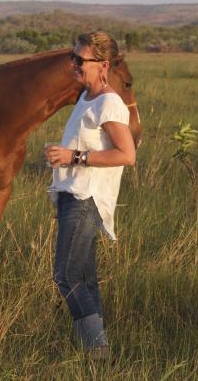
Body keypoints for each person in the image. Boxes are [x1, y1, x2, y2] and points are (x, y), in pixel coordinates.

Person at [43, 31, 137, 360]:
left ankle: (97, 350)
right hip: (73, 195)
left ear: (103, 65)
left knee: (65, 275)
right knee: (84, 277)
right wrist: (62, 156)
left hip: (86, 199)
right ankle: (98, 354)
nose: (73, 64)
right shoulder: (86, 96)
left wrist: (74, 157)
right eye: (73, 57)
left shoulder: (109, 103)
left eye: (80, 60)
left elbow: (127, 154)